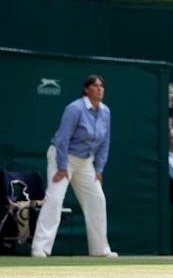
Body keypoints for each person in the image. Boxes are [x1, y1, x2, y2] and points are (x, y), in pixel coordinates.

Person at [32, 75, 117, 258]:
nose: (99, 89)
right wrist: (62, 167)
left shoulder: (105, 112)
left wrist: (99, 168)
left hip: (86, 163)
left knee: (98, 200)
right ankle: (40, 248)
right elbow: (63, 138)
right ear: (86, 89)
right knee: (54, 199)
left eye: (102, 86)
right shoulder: (75, 108)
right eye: (95, 86)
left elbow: (105, 142)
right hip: (62, 157)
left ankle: (100, 249)